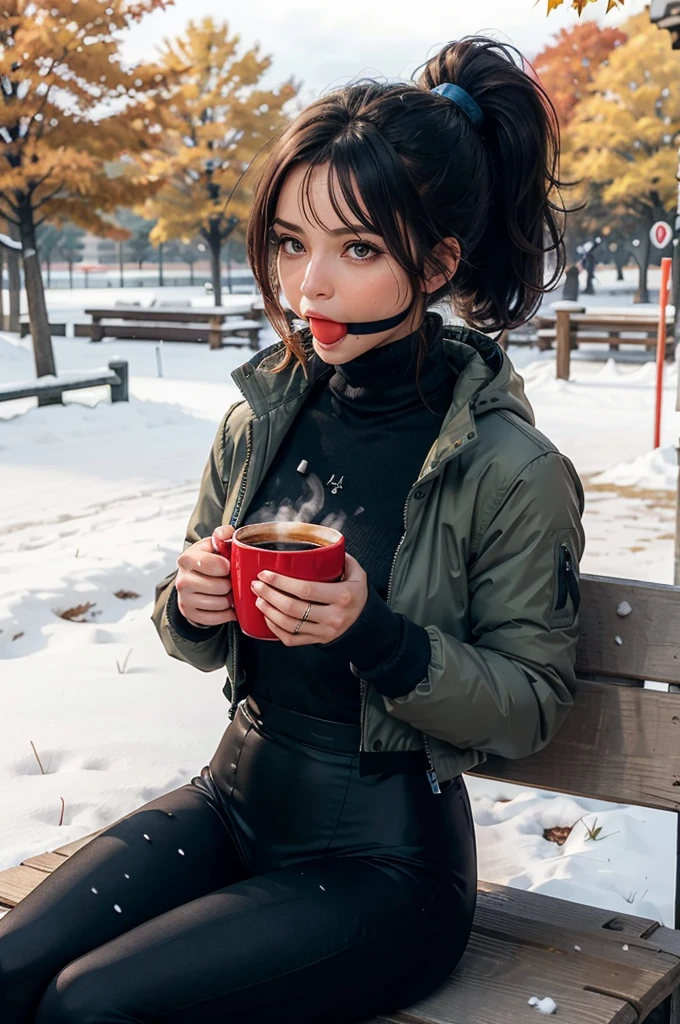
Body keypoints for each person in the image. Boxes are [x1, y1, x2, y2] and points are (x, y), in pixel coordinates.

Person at [0, 36, 585, 1024]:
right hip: (230, 797)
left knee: (88, 1009)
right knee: (14, 970)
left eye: (355, 249)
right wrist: (191, 604)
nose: (309, 283)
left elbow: (528, 705)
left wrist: (377, 635)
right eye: (288, 241)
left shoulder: (509, 469)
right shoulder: (257, 417)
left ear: (436, 262)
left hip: (386, 866)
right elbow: (187, 634)